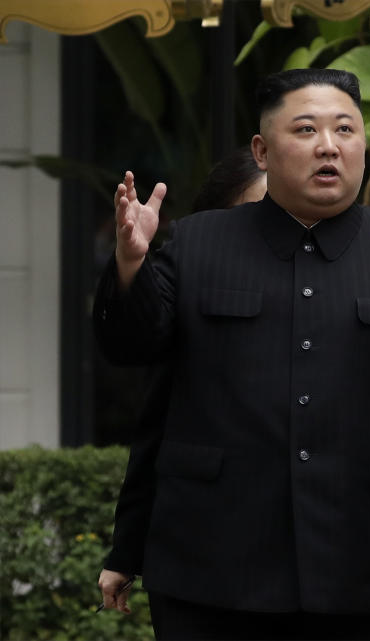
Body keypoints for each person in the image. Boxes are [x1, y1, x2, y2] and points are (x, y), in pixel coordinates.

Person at [93, 68, 370, 641]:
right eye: (306, 129)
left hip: (359, 555)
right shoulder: (198, 242)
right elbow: (130, 346)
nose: (329, 145)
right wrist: (130, 264)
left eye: (345, 129)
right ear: (262, 150)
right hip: (211, 559)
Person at [97, 145, 267, 616]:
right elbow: (155, 432)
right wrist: (125, 553)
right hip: (207, 555)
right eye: (257, 212)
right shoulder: (188, 292)